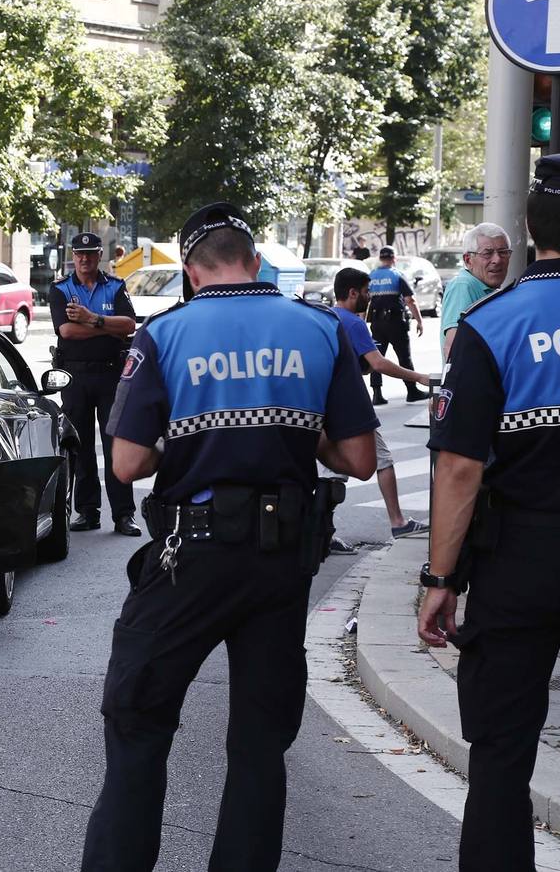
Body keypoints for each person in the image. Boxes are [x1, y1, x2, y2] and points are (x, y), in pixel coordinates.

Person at [81, 203, 377, 871]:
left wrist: (191, 434)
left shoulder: (166, 333)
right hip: (281, 561)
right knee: (258, 742)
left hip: (192, 555)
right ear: (253, 258)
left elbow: (127, 464)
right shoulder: (319, 328)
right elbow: (358, 459)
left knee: (137, 719)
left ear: (191, 270)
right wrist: (295, 431)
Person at [418, 154, 560, 871]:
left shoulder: (489, 324)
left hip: (519, 563)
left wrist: (437, 576)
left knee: (503, 751)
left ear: (526, 231)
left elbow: (457, 465)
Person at [49, 231, 141, 535]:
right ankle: (88, 512)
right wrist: (106, 325)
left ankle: (123, 514)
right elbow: (67, 332)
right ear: (73, 256)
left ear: (99, 255)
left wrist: (91, 318)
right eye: (79, 254)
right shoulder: (61, 289)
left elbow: (129, 325)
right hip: (75, 376)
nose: (84, 259)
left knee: (116, 443)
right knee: (82, 445)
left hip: (110, 374)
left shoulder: (114, 287)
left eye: (90, 254)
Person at [331, 267, 430, 538]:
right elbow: (378, 363)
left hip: (327, 403)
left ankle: (323, 531)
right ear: (352, 293)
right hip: (352, 405)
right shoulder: (353, 322)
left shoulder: (327, 317)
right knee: (382, 459)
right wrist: (417, 376)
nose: (370, 296)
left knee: (332, 468)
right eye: (366, 291)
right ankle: (398, 522)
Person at [439, 223, 511, 358]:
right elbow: (453, 348)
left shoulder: (490, 289)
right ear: (468, 260)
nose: (497, 260)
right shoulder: (464, 286)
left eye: (503, 252)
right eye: (487, 253)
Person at [366, 245, 425, 405]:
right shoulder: (397, 275)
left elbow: (366, 300)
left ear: (380, 258)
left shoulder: (371, 276)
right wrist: (419, 320)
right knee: (404, 357)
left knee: (376, 358)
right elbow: (409, 300)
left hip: (377, 323)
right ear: (394, 258)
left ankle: (377, 394)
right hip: (395, 323)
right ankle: (412, 391)